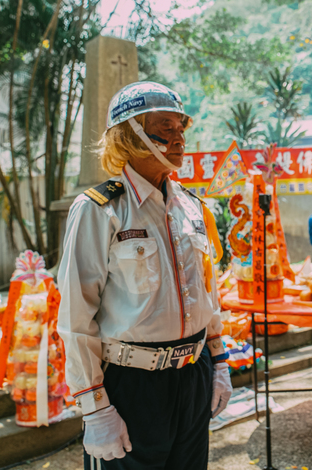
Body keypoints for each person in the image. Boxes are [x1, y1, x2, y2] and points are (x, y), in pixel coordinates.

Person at [57, 82, 232, 469]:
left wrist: (219, 364)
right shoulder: (99, 210)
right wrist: (95, 408)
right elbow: (74, 318)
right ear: (130, 134)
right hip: (132, 386)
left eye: (181, 128)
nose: (179, 138)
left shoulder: (192, 207)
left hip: (193, 376)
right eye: (165, 127)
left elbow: (207, 294)